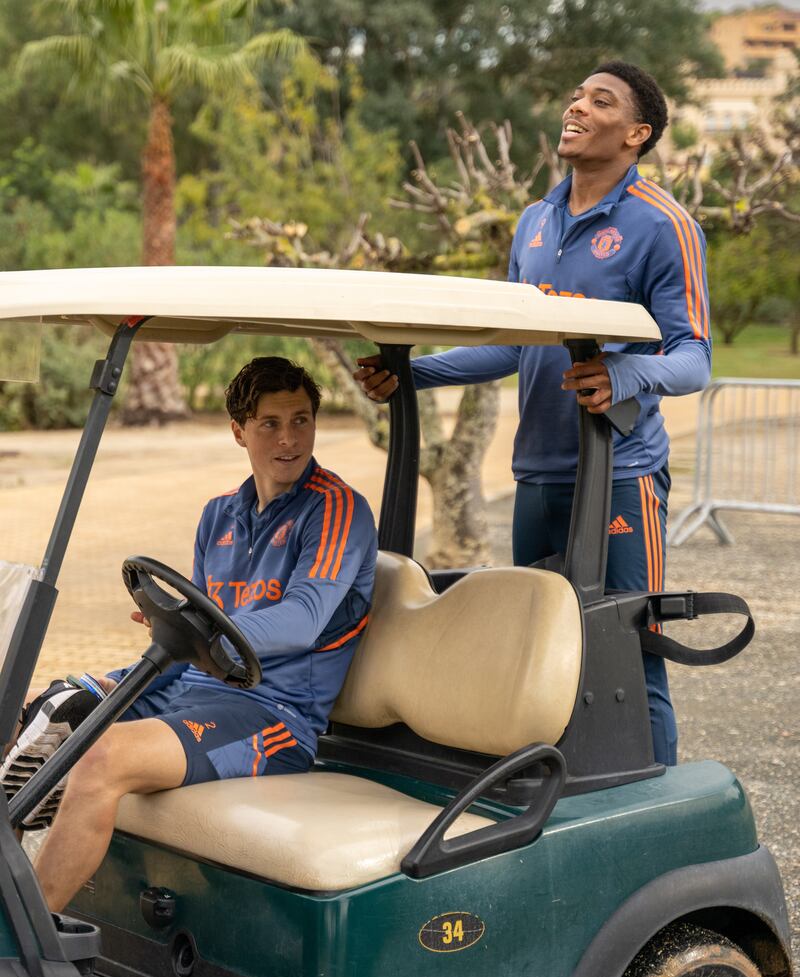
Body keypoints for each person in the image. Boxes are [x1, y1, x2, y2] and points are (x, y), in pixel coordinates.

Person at [353, 61, 711, 768]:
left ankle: (658, 810)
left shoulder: (664, 226)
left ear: (637, 134)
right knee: (543, 654)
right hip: (538, 477)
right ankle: (565, 798)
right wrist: (411, 375)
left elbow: (694, 357)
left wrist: (623, 371)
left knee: (632, 652)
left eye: (600, 101)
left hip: (619, 477)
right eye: (577, 96)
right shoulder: (536, 222)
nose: (577, 106)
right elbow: (515, 349)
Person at [14, 356, 378, 911]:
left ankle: (21, 951)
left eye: (301, 420)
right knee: (46, 707)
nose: (290, 439)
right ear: (239, 431)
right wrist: (113, 682)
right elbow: (189, 652)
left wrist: (202, 625)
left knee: (101, 758)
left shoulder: (335, 509)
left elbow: (304, 619)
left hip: (272, 715)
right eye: (270, 424)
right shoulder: (219, 516)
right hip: (191, 694)